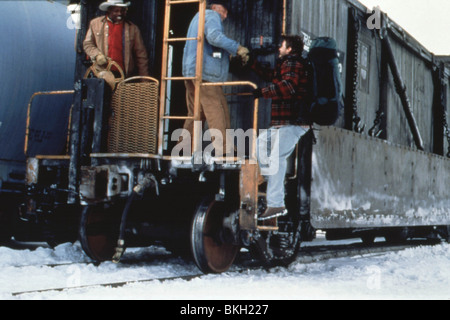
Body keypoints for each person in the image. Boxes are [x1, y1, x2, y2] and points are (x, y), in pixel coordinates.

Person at [251, 35, 311, 221]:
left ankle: (276, 204)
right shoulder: (285, 64)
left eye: (281, 46)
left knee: (277, 157)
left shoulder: (293, 63)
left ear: (290, 49)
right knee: (260, 144)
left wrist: (261, 92)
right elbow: (273, 77)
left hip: (293, 122)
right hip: (282, 123)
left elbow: (288, 88)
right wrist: (251, 64)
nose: (278, 48)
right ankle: (272, 182)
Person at [181, 0, 249, 157]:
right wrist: (237, 48)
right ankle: (224, 149)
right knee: (218, 109)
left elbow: (208, 43)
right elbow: (214, 37)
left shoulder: (198, 17)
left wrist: (227, 56)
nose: (225, 16)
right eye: (223, 11)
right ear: (214, 6)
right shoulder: (211, 15)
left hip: (192, 71)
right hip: (205, 74)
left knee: (195, 113)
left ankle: (183, 148)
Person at [83, 0, 149, 78]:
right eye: (116, 11)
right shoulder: (95, 24)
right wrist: (97, 55)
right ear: (109, 10)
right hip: (101, 75)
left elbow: (141, 56)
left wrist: (145, 80)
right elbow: (87, 44)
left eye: (122, 10)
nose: (119, 13)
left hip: (123, 76)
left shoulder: (133, 29)